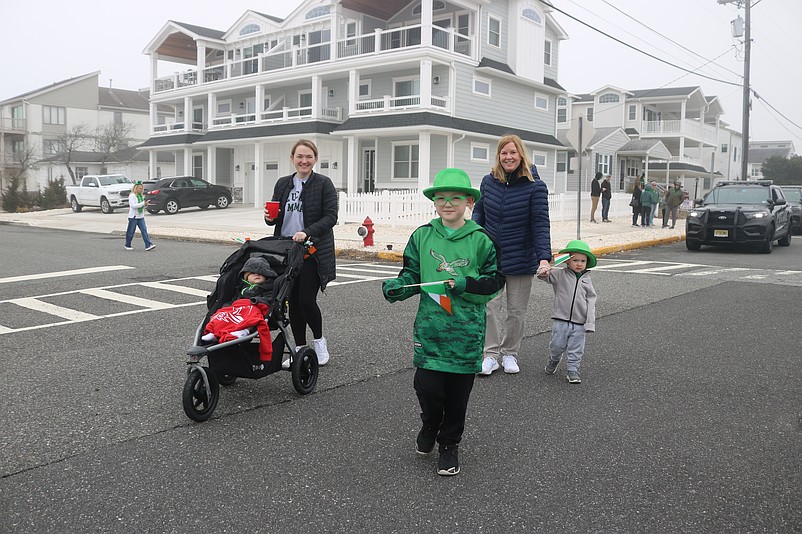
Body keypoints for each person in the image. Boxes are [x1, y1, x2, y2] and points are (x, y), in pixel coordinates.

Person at [382, 168, 505, 476]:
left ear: (468, 202)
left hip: (467, 330)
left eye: (455, 198)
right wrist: (399, 287)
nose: (448, 203)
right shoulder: (422, 236)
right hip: (430, 328)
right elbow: (411, 274)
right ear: (434, 202)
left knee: (457, 395)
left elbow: (495, 281)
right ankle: (430, 423)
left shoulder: (482, 239)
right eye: (441, 198)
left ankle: (449, 444)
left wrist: (465, 285)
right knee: (427, 388)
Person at [472, 134, 552, 375]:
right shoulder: (488, 182)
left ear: (521, 155)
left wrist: (544, 257)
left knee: (516, 311)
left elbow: (540, 223)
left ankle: (510, 354)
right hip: (491, 258)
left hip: (521, 256)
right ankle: (490, 355)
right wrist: (474, 241)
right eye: (503, 153)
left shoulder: (535, 187)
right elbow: (479, 214)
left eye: (513, 152)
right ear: (499, 156)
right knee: (489, 307)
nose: (508, 157)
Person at [264, 139, 338, 366]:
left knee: (306, 300)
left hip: (311, 251)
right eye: (299, 156)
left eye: (309, 157)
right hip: (286, 249)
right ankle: (298, 347)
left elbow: (331, 217)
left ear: (315, 159)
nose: (304, 161)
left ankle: (319, 341)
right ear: (292, 158)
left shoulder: (324, 183)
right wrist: (269, 218)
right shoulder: (283, 183)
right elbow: (274, 216)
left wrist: (307, 232)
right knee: (292, 302)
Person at [537, 239, 597, 384]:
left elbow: (591, 302)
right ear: (567, 261)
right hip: (561, 319)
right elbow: (543, 276)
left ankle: (573, 370)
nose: (579, 263)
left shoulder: (587, 280)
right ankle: (554, 359)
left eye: (583, 261)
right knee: (557, 345)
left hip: (580, 322)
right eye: (575, 260)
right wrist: (543, 270)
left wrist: (590, 323)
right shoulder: (560, 275)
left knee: (576, 349)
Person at [200, 257, 279, 360]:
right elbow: (233, 300)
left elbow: (269, 300)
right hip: (237, 308)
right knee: (220, 314)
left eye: (261, 273)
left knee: (251, 314)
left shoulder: (268, 287)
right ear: (246, 276)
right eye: (253, 273)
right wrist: (227, 307)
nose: (258, 274)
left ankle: (242, 331)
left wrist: (256, 301)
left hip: (254, 308)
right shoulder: (241, 288)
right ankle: (214, 332)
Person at [124, 181, 155, 251]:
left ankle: (148, 245)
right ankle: (127, 244)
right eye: (140, 188)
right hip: (133, 217)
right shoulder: (132, 196)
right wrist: (143, 203)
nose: (141, 190)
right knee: (131, 231)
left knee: (144, 230)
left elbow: (141, 206)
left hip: (140, 216)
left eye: (142, 188)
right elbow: (133, 206)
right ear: (136, 188)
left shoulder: (141, 196)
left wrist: (145, 204)